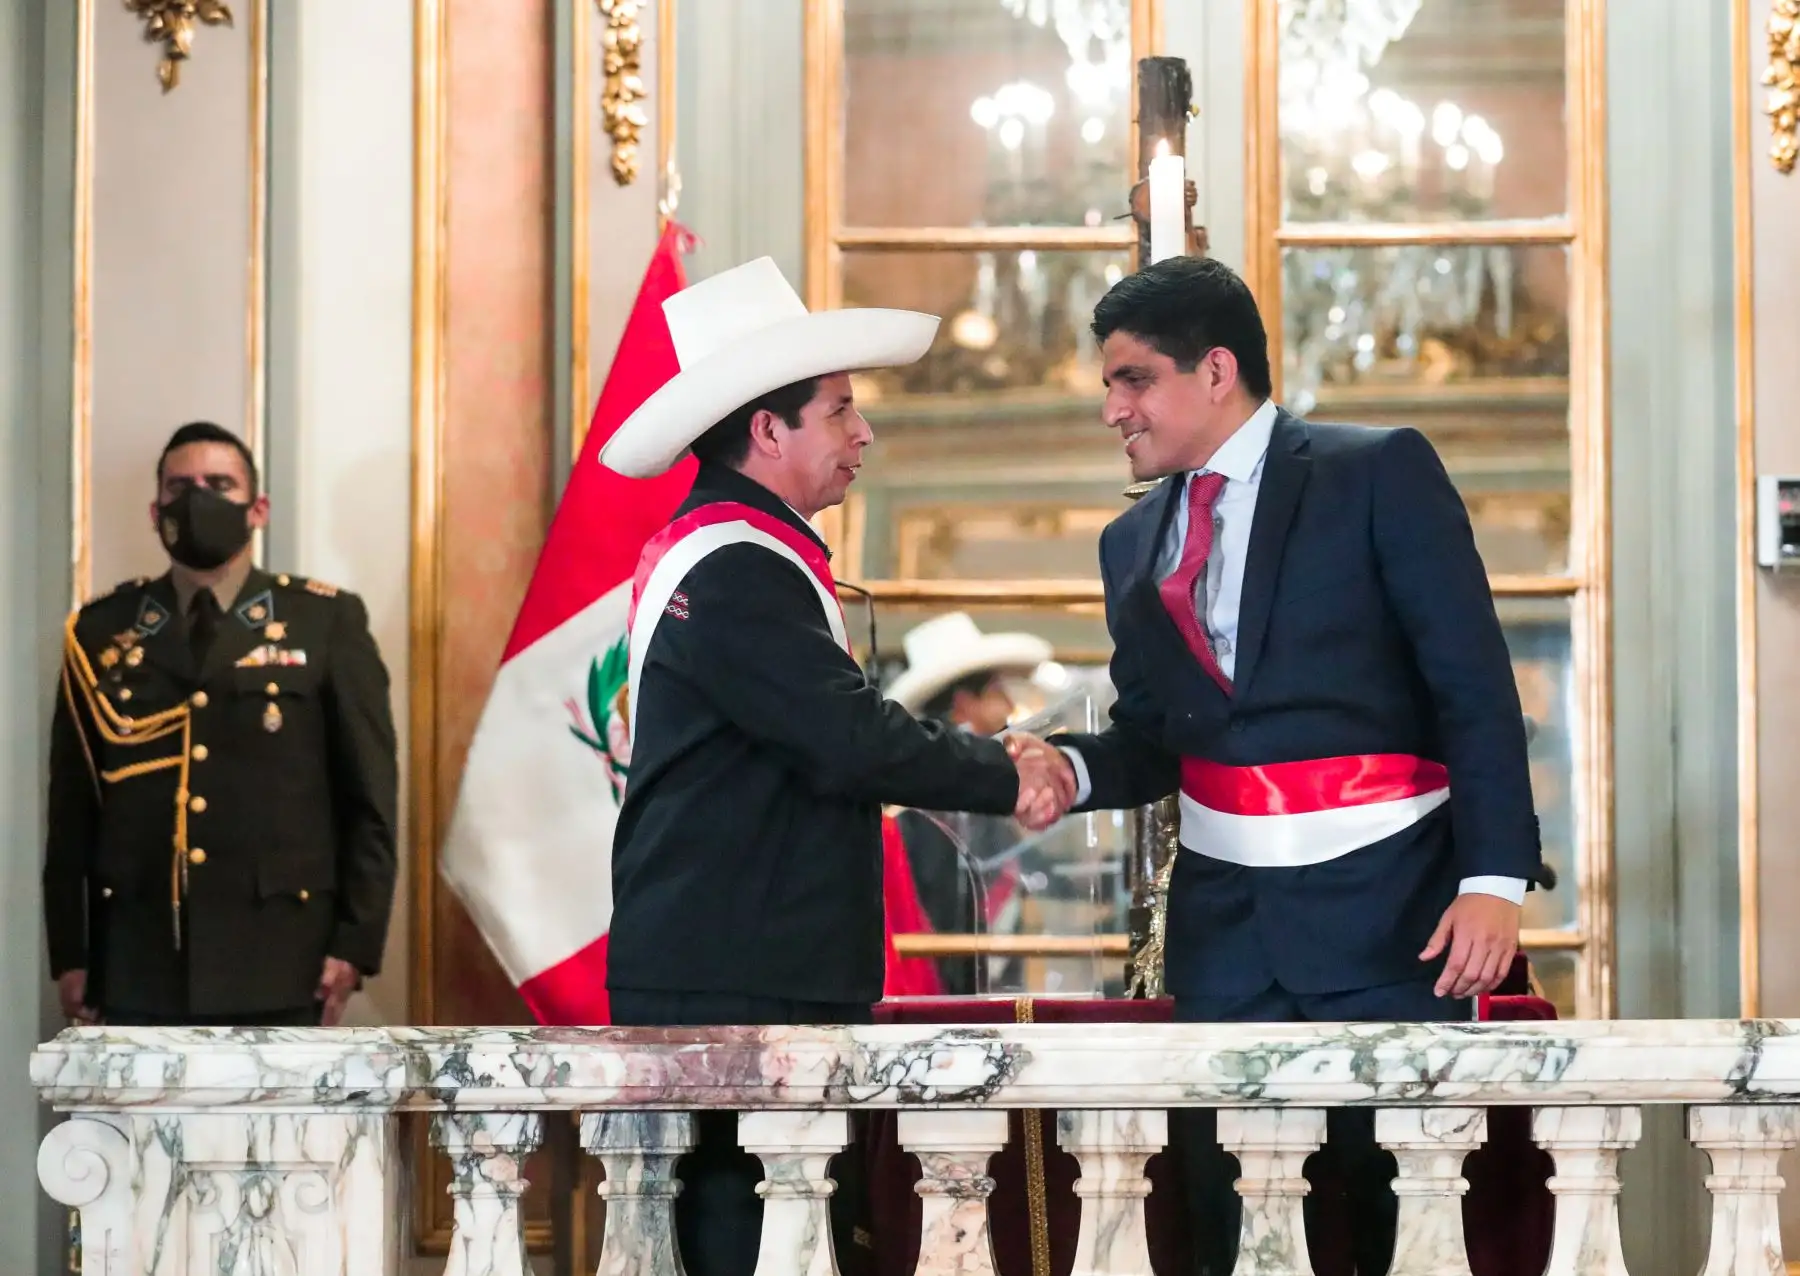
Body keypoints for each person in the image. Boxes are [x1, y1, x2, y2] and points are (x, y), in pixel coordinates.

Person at [1016, 256, 1541, 1276]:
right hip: (1227, 939)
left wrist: (1493, 880)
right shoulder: (1130, 542)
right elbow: (1155, 737)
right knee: (1233, 1230)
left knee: (1404, 1225)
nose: (1110, 408)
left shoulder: (1377, 469)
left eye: (1131, 379)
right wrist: (1067, 771)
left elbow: (1473, 685)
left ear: (1215, 371)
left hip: (1397, 917)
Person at [597, 257, 1073, 1276]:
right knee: (751, 1241)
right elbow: (849, 738)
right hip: (735, 978)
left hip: (738, 966)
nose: (864, 434)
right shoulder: (733, 567)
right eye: (840, 410)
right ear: (768, 430)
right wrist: (1010, 771)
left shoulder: (741, 550)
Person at [43, 421, 399, 1029]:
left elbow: (369, 798)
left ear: (257, 508)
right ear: (156, 512)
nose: (198, 499)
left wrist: (355, 944)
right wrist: (71, 953)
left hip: (284, 957)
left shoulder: (323, 621)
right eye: (180, 486)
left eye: (219, 484)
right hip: (137, 960)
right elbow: (74, 805)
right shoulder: (101, 631)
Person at [885, 612, 1053, 993]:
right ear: (963, 704)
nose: (1008, 707)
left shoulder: (930, 802)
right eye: (996, 692)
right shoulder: (922, 814)